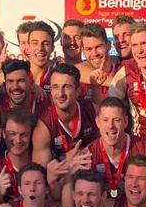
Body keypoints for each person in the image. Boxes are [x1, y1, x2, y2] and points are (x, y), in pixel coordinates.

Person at [32, 63, 99, 196]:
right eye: (55, 87)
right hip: (61, 185)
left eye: (66, 87)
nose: (60, 94)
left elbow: (105, 147)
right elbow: (40, 178)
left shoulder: (91, 110)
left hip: (90, 179)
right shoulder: (43, 128)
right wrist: (67, 164)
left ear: (78, 91)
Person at [77, 23, 121, 101]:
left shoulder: (121, 69)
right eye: (89, 49)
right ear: (83, 51)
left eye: (98, 47)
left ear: (109, 45)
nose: (95, 53)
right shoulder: (76, 76)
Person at [28, 21, 58, 95]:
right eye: (35, 43)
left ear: (52, 48)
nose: (40, 48)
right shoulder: (17, 73)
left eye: (46, 44)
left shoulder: (59, 75)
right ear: (28, 47)